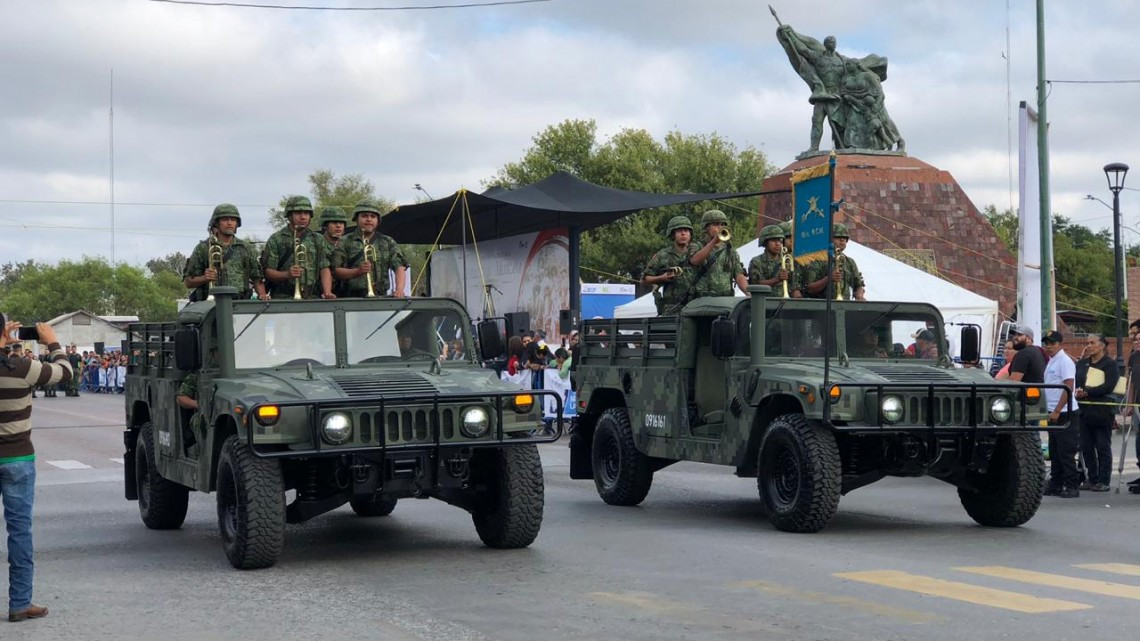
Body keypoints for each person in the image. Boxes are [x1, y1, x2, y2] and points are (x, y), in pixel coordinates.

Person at [1, 320, 72, 622]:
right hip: (17, 458)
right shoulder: (21, 367)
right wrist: (52, 341)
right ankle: (19, 603)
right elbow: (65, 374)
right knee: (19, 531)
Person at [183, 204, 268, 302]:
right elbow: (188, 282)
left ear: (237, 223)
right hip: (211, 306)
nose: (229, 223)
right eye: (225, 219)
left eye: (233, 220)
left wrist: (262, 295)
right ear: (216, 223)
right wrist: (205, 278)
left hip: (240, 304)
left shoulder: (245, 248)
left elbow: (257, 278)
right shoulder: (203, 247)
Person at [261, 195, 335, 299]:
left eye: (306, 213)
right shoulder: (276, 239)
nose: (303, 217)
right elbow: (268, 272)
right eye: (298, 213)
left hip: (312, 296)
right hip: (283, 297)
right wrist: (287, 274)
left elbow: (324, 267)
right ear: (289, 215)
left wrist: (327, 292)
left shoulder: (318, 239)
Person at [332, 200, 408, 298]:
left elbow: (400, 267)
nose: (369, 219)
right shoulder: (344, 241)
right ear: (356, 219)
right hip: (350, 298)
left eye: (373, 216)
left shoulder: (387, 241)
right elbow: (335, 271)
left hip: (380, 297)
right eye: (364, 216)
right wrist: (357, 271)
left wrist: (399, 290)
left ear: (378, 220)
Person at [1075, 334, 1118, 492]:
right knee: (1086, 445)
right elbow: (1077, 382)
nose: (1089, 346)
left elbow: (1109, 385)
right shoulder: (1081, 363)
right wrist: (1079, 392)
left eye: (1092, 342)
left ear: (1102, 346)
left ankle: (1104, 479)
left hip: (1102, 411)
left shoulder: (1109, 364)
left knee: (1102, 445)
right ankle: (1091, 478)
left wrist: (1088, 392)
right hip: (1084, 410)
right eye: (1088, 343)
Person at [1040, 330, 1081, 498]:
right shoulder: (1052, 361)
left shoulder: (1064, 361)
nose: (1048, 346)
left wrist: (1057, 410)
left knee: (1066, 452)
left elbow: (1068, 386)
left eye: (1052, 343)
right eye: (1046, 343)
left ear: (1060, 344)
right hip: (1054, 411)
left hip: (1065, 412)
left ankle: (1072, 485)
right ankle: (1056, 484)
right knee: (1055, 450)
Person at [688, 210, 749, 298]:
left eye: (723, 224)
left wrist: (748, 292)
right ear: (706, 227)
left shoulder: (730, 250)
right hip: (702, 299)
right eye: (716, 224)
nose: (720, 227)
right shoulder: (697, 246)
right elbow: (695, 261)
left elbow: (739, 275)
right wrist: (714, 241)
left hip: (725, 298)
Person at [642, 215, 696, 315]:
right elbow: (645, 279)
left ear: (690, 233)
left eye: (686, 230)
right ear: (672, 234)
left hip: (696, 305)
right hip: (673, 307)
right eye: (679, 231)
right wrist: (662, 278)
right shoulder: (662, 255)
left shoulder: (698, 252)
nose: (683, 233)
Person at [797, 223, 865, 300]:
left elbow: (858, 285)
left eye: (844, 238)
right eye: (837, 237)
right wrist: (828, 278)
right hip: (822, 306)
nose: (842, 240)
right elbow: (809, 289)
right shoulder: (817, 260)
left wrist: (860, 296)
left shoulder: (849, 262)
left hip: (844, 306)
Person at [748, 224, 797, 297]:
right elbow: (756, 284)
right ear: (765, 242)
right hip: (764, 302)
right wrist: (776, 279)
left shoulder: (788, 260)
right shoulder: (757, 261)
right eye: (773, 240)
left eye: (780, 241)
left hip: (785, 303)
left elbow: (794, 285)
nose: (777, 244)